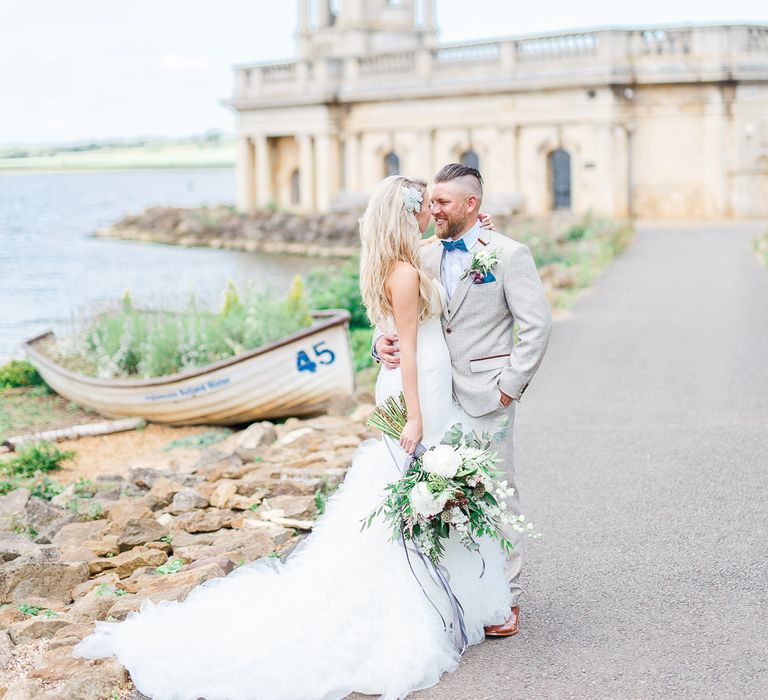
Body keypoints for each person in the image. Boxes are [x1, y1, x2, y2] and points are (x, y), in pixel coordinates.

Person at [73, 175, 511, 700]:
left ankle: (447, 592)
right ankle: (415, 602)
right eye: (425, 205)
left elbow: (410, 307)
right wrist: (414, 416)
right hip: (418, 390)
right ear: (407, 214)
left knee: (418, 489)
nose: (432, 213)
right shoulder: (406, 270)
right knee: (411, 488)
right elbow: (410, 349)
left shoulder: (402, 259)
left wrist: (482, 231)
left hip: (425, 385)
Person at [374, 164, 552, 637]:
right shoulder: (420, 255)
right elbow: (393, 315)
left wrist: (508, 385)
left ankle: (507, 599)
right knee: (441, 495)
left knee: (496, 494)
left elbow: (536, 326)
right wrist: (380, 345)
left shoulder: (509, 254)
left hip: (487, 394)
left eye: (442, 203)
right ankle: (458, 589)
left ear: (471, 205)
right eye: (429, 201)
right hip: (433, 394)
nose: (432, 209)